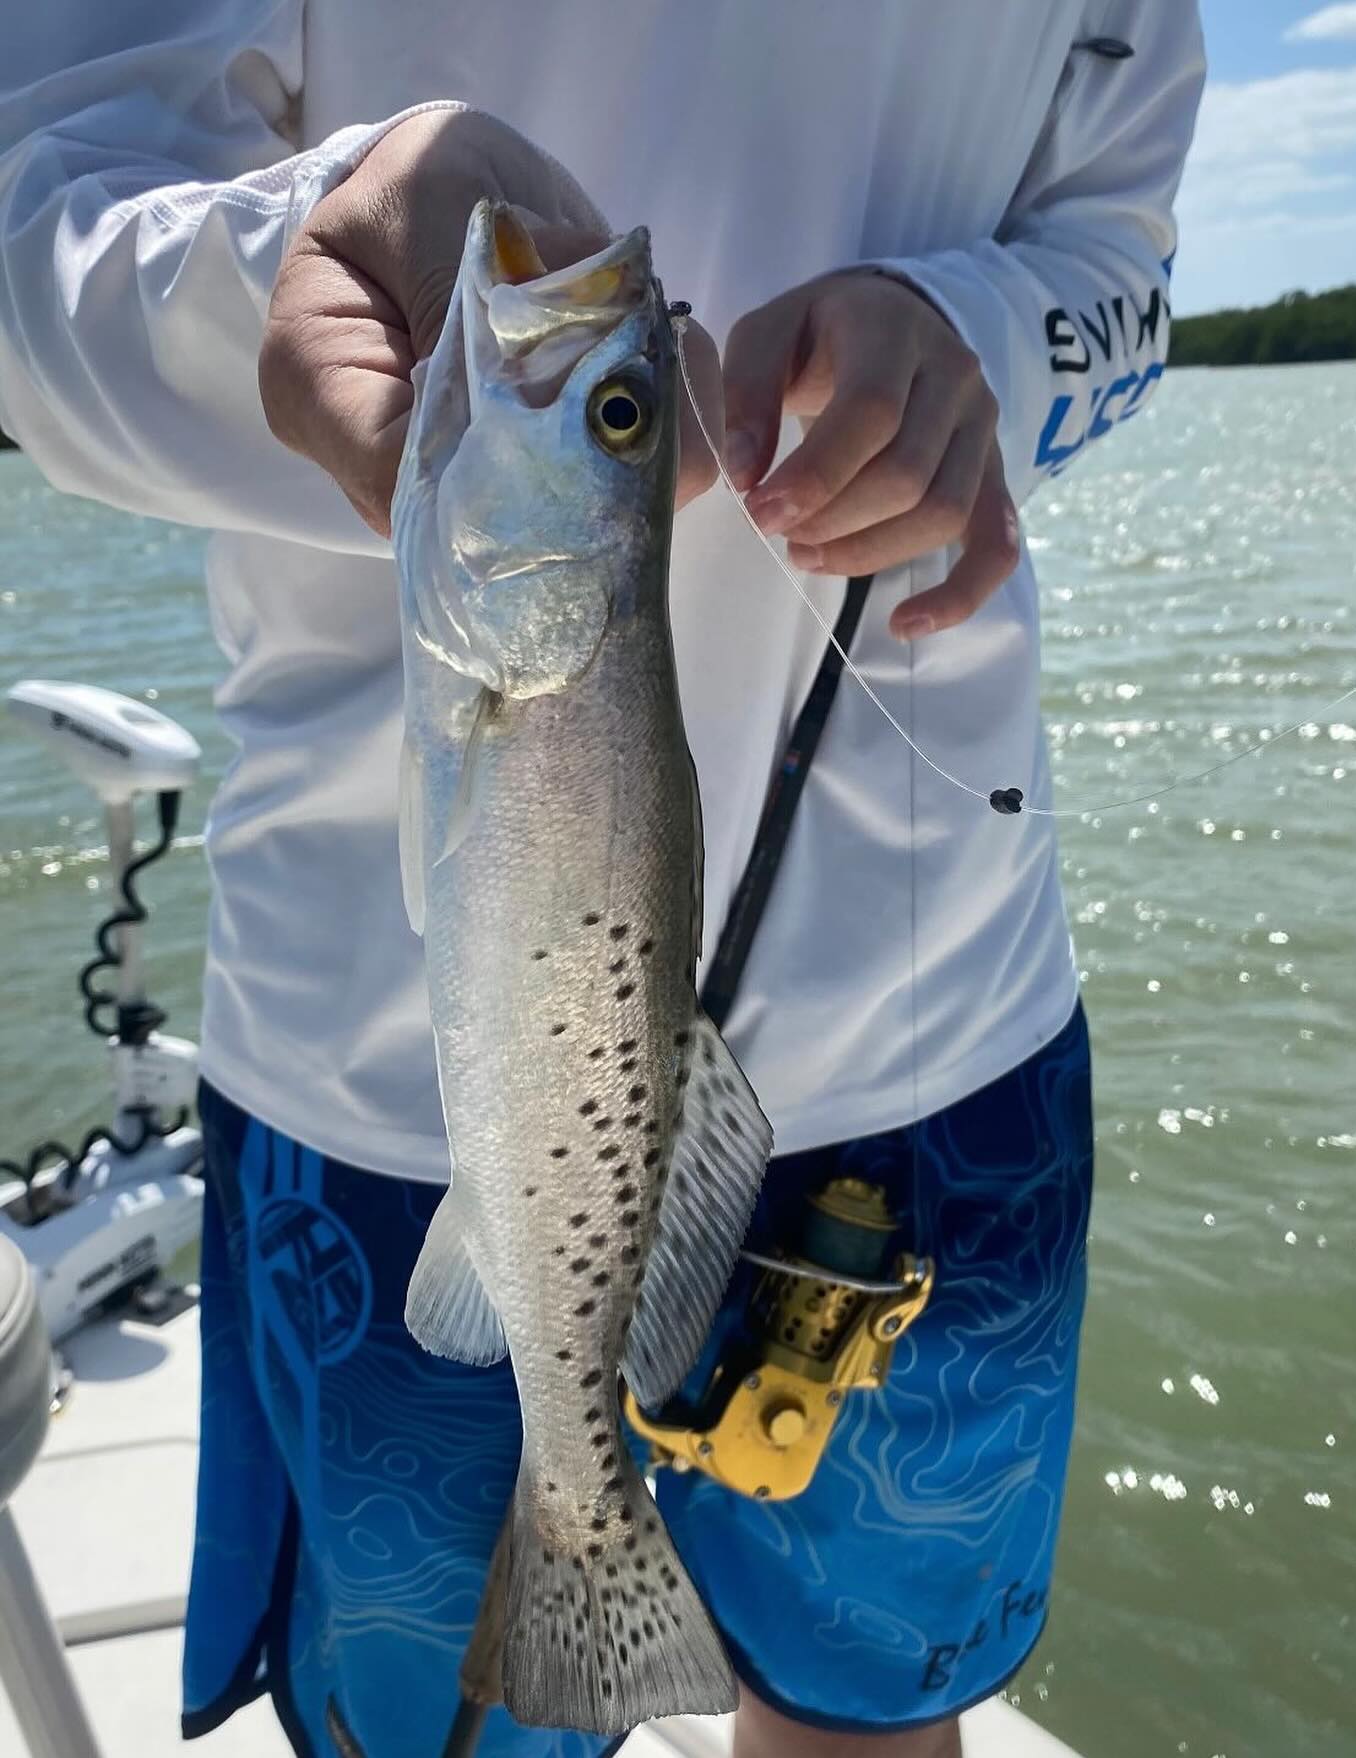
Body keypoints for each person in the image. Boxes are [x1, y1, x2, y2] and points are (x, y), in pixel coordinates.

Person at [0, 5, 1206, 1755]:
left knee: (869, 1720)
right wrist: (269, 258)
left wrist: (984, 339)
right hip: (383, 1078)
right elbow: (32, 217)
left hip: (937, 1012)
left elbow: (1119, 257)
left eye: (620, 402)